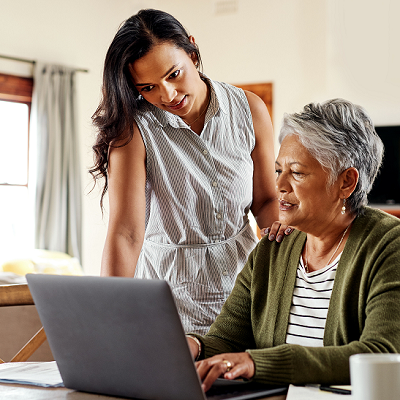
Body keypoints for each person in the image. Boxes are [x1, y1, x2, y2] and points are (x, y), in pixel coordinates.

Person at [90, 9, 286, 335]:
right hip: (169, 304)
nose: (167, 95)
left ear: (192, 53)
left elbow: (266, 200)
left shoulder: (249, 109)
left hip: (243, 295)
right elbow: (126, 233)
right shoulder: (134, 130)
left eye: (174, 74)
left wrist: (285, 264)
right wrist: (110, 320)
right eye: (148, 87)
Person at [187, 98, 400, 390]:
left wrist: (257, 363)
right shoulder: (273, 247)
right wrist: (194, 345)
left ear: (346, 182)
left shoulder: (389, 245)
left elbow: (381, 353)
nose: (279, 186)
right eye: (278, 171)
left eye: (297, 172)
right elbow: (227, 341)